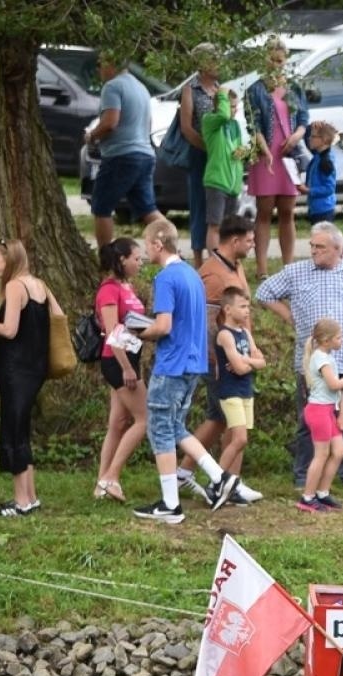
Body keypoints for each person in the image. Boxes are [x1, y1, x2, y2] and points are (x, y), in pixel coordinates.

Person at [256, 222, 343, 493]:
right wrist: (290, 317)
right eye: (311, 246)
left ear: (337, 248)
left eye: (319, 247)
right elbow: (264, 292)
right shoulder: (297, 272)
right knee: (309, 420)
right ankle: (304, 473)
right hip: (312, 365)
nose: (313, 251)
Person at [131, 220, 240, 523]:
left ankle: (170, 504)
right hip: (194, 362)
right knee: (176, 425)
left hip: (173, 363)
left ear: (157, 244)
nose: (145, 249)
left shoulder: (166, 278)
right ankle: (220, 477)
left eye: (146, 243)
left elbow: (164, 325)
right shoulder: (192, 274)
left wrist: (139, 333)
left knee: (160, 429)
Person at [179, 215, 260, 504]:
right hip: (219, 361)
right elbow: (209, 322)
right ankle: (227, 483)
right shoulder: (213, 275)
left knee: (219, 419)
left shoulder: (235, 267)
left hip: (236, 356)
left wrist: (250, 347)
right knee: (229, 421)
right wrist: (224, 357)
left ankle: (187, 471)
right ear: (234, 240)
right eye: (249, 240)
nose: (253, 245)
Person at [0, 238, 50, 517]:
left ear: (9, 259)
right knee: (22, 428)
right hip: (36, 367)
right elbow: (57, 316)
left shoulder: (15, 286)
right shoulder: (39, 285)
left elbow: (10, 330)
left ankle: (20, 501)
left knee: (13, 430)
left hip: (16, 368)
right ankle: (31, 496)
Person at [85, 52, 166, 251]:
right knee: (148, 209)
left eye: (100, 64)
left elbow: (111, 122)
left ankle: (106, 258)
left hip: (121, 156)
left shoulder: (112, 86)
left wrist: (92, 135)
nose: (98, 69)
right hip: (145, 154)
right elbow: (147, 124)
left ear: (111, 64)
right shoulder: (141, 87)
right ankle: (172, 249)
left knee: (101, 207)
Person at [245, 36, 309, 278]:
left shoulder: (294, 87)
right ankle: (261, 269)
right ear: (265, 59)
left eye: (280, 61)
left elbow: (304, 119)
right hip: (266, 155)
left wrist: (296, 136)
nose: (276, 65)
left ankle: (288, 268)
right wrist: (264, 151)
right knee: (264, 211)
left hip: (289, 155)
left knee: (287, 211)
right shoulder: (255, 90)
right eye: (272, 60)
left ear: (286, 60)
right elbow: (254, 126)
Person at [92, 238, 148, 502]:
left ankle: (101, 483)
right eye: (136, 258)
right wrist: (127, 368)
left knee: (117, 423)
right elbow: (113, 333)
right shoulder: (108, 290)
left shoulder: (127, 287)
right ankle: (111, 477)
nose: (140, 262)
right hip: (117, 360)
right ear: (122, 260)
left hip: (131, 357)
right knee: (145, 419)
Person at [212, 288, 267, 490]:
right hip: (230, 392)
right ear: (228, 309)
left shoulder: (245, 333)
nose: (247, 311)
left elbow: (262, 362)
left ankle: (233, 483)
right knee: (240, 438)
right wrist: (250, 362)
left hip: (246, 391)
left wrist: (247, 361)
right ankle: (216, 481)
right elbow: (239, 368)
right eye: (242, 307)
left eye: (248, 307)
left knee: (238, 441)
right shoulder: (225, 335)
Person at [179, 43, 222, 264]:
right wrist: (208, 148)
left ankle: (217, 256)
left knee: (218, 207)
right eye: (213, 59)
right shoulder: (190, 89)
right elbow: (187, 127)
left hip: (220, 156)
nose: (218, 63)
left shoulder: (219, 87)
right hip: (200, 153)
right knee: (199, 204)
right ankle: (198, 258)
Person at [298, 318, 343, 512]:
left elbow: (336, 392)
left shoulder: (329, 357)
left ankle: (322, 493)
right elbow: (334, 385)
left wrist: (342, 414)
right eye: (339, 337)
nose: (341, 340)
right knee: (322, 454)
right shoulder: (320, 358)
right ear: (327, 341)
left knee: (339, 452)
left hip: (329, 410)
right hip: (318, 411)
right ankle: (307, 497)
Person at [199, 89, 247, 255]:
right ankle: (214, 260)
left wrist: (244, 152)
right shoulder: (209, 120)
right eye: (231, 106)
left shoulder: (235, 125)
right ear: (221, 106)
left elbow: (237, 148)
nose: (234, 110)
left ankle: (227, 256)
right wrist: (222, 94)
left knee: (230, 225)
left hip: (232, 184)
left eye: (236, 107)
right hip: (217, 181)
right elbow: (223, 116)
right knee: (215, 224)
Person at [304, 122, 339, 224]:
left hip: (324, 209)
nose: (309, 138)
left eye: (313, 136)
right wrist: (310, 127)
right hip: (315, 207)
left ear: (324, 140)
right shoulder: (318, 155)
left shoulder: (326, 162)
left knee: (322, 237)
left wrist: (309, 190)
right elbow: (306, 139)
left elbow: (329, 188)